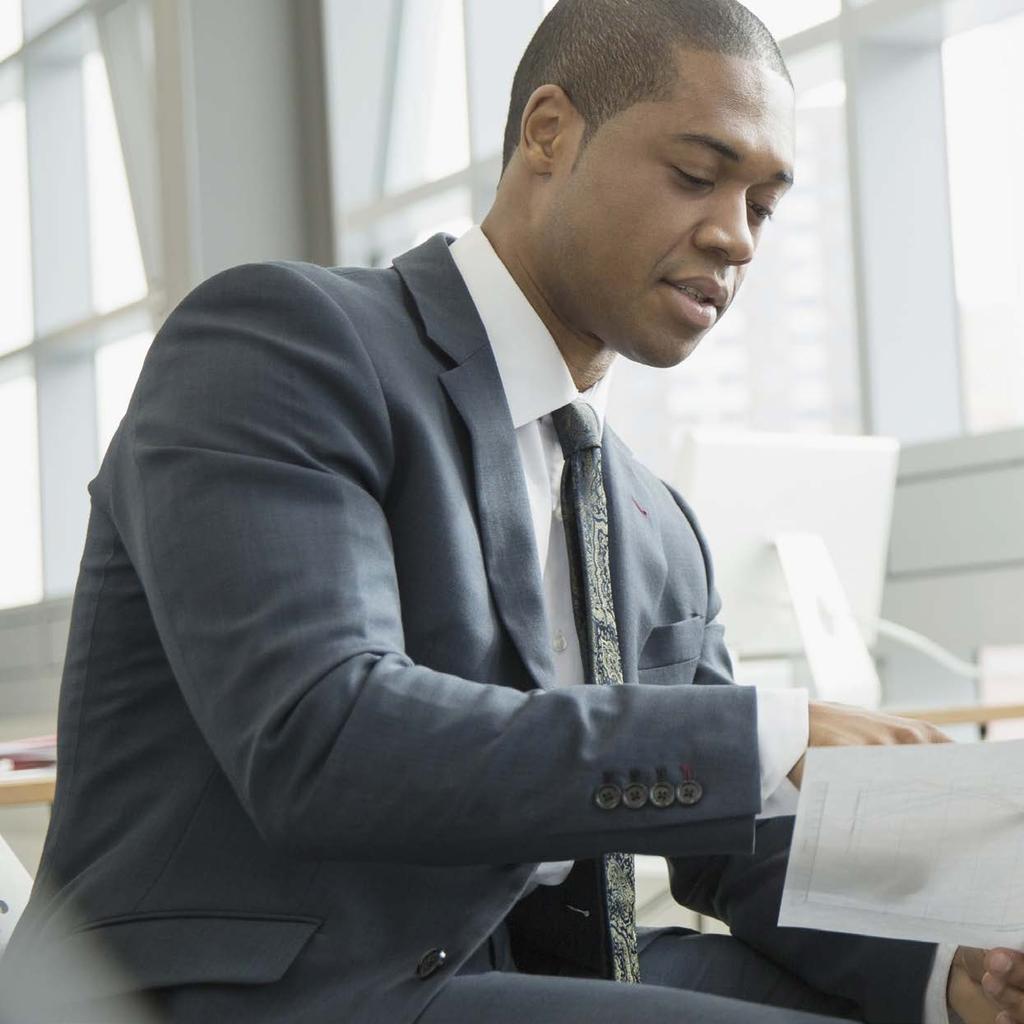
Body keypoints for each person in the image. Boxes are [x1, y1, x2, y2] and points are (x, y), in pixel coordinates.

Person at [2, 0, 1022, 1021]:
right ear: (548, 132)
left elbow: (726, 836)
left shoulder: (656, 524)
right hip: (277, 988)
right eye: (696, 173)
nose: (735, 237)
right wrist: (767, 734)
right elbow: (323, 735)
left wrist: (948, 979)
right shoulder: (287, 343)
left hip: (537, 968)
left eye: (762, 204)